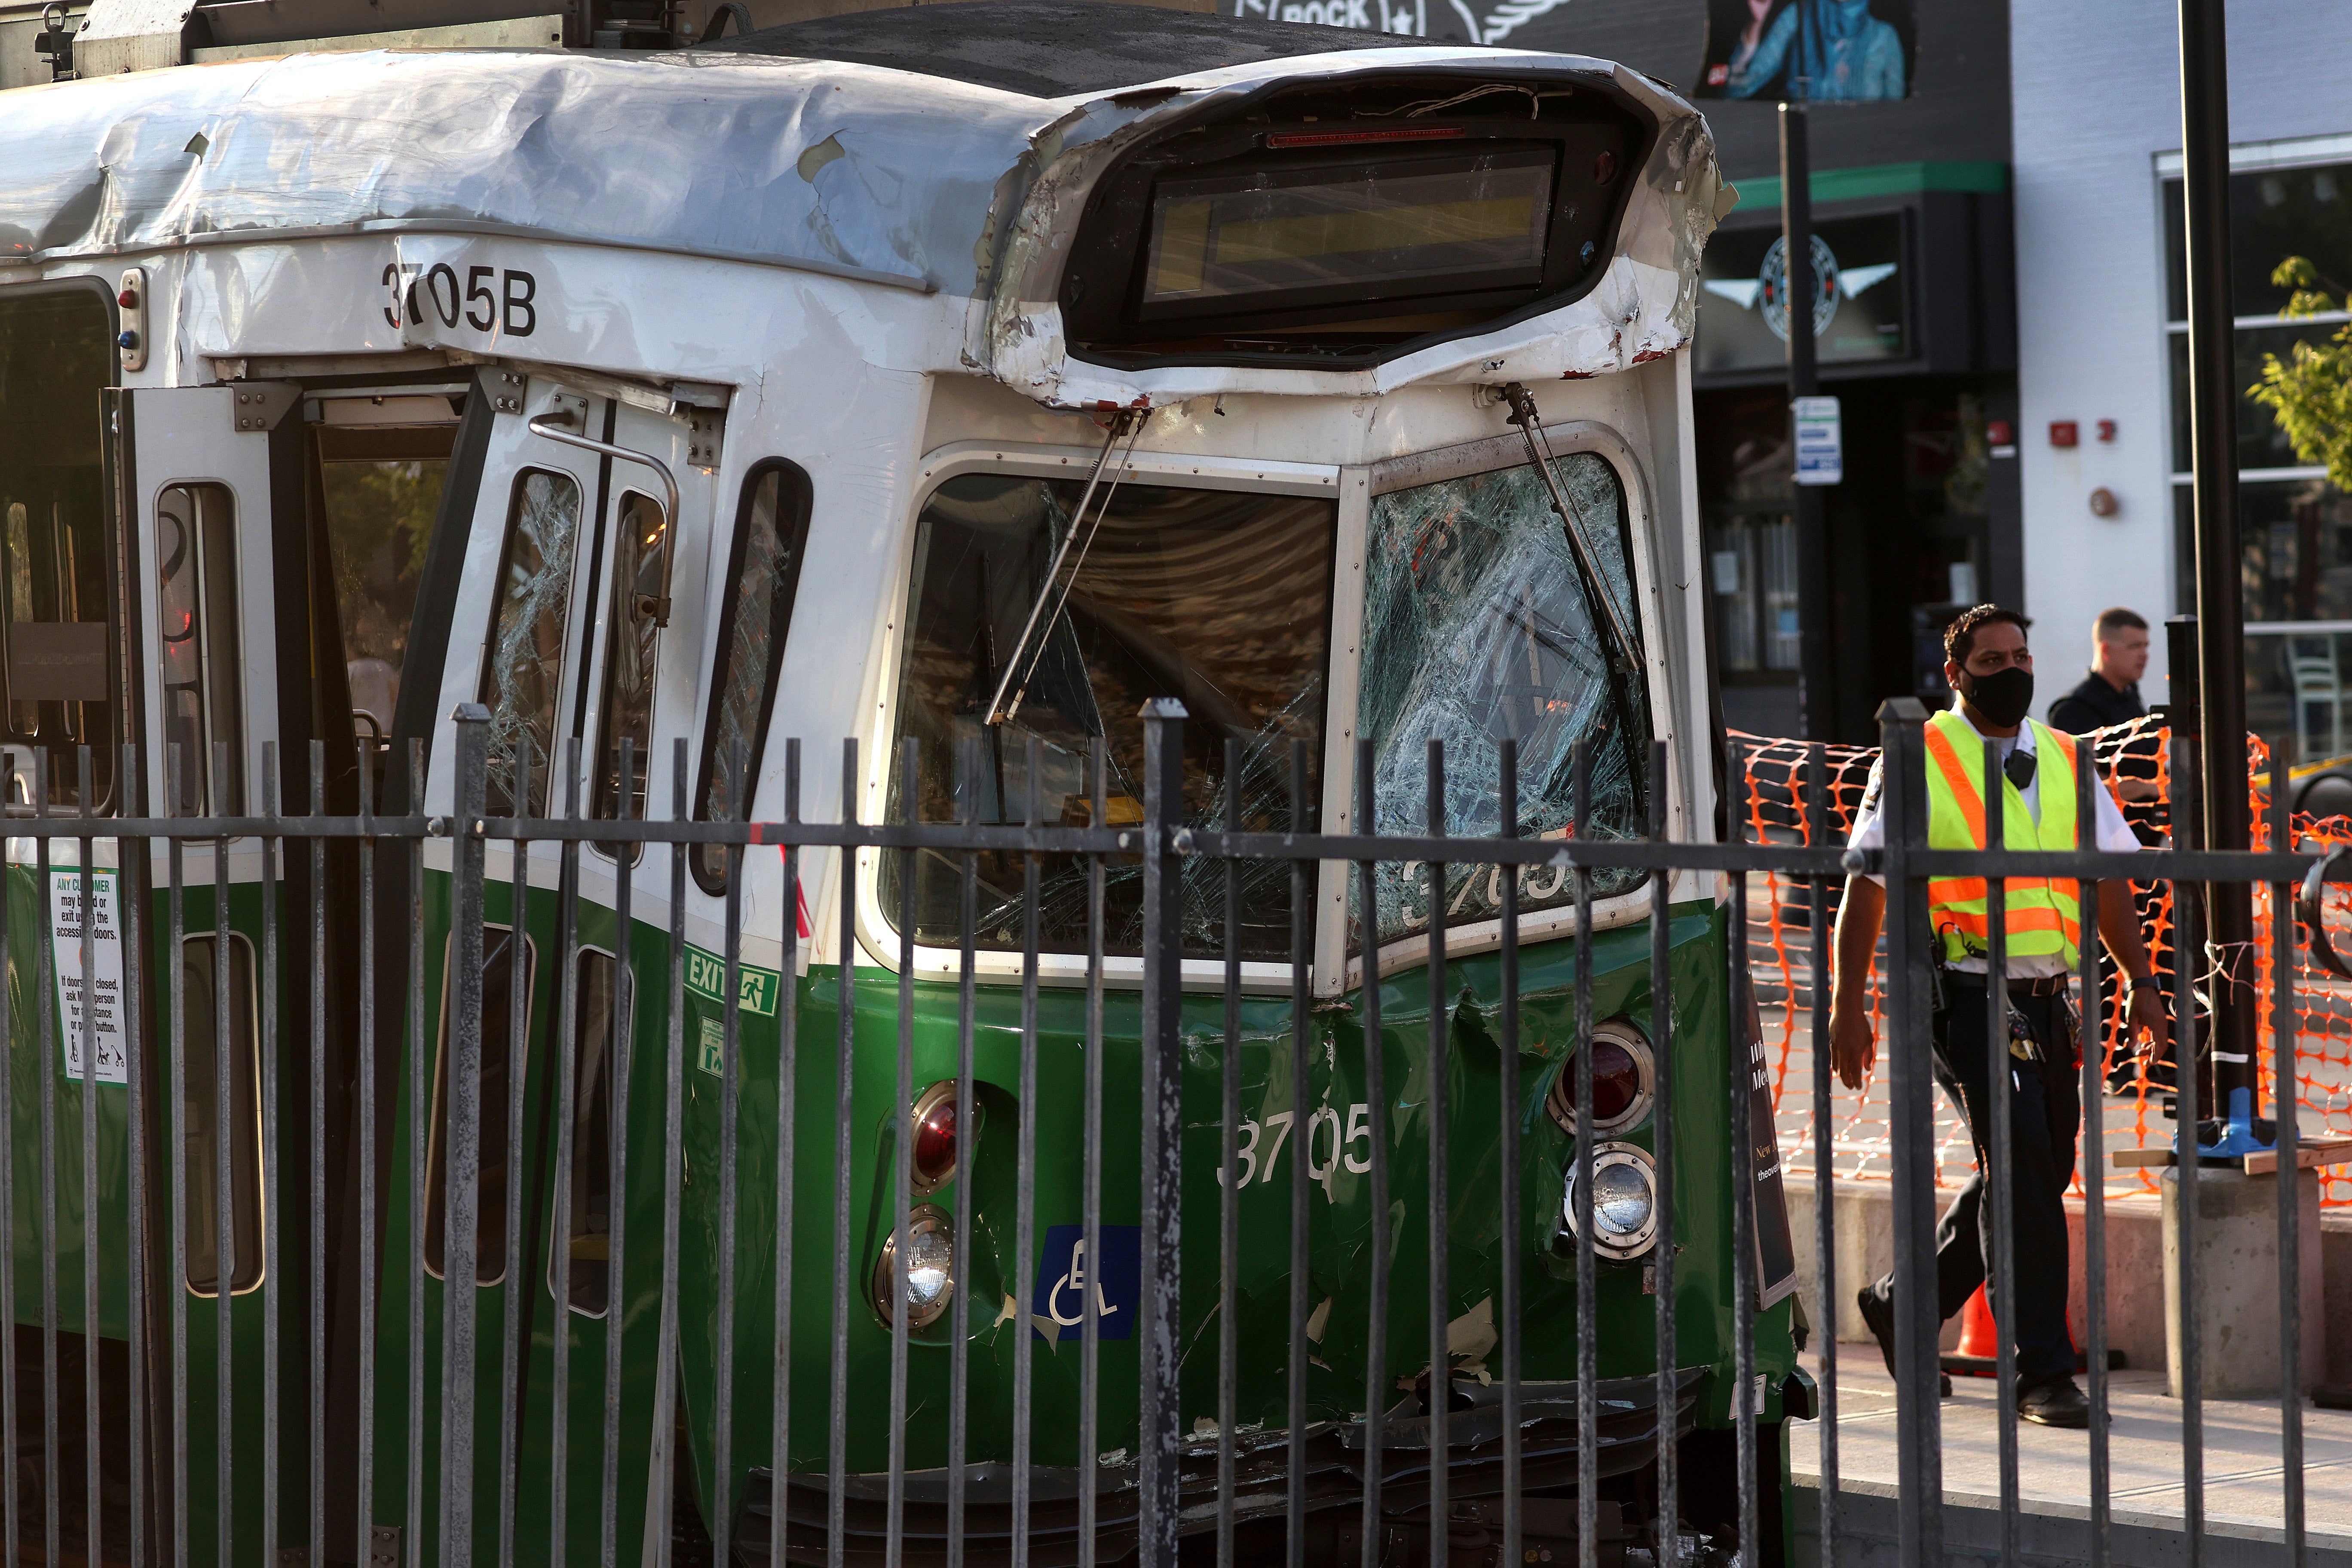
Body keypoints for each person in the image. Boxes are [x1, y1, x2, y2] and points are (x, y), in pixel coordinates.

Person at [1828, 605, 2169, 1429]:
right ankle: (2041, 1372)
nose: (2011, 669)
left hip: (2050, 999)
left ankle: (1903, 1303)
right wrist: (1846, 1007)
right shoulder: (1916, 757)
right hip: (1963, 994)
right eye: (1990, 659)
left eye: (2020, 654)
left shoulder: (2061, 755)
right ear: (1955, 674)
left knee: (2037, 1170)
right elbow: (1864, 886)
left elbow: (2108, 877)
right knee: (2023, 1172)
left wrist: (2143, 981)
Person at [1724, 0, 1906, 101]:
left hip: (1865, 154)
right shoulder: (1799, 16)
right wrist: (1755, 25)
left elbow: (1898, 116)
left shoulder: (1884, 37)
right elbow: (1737, 89)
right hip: (1804, 142)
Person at [2047, 606, 2150, 739]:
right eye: (2135, 646)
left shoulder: (2129, 696)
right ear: (2106, 650)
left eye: (2145, 646)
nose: (2144, 655)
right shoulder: (2076, 710)